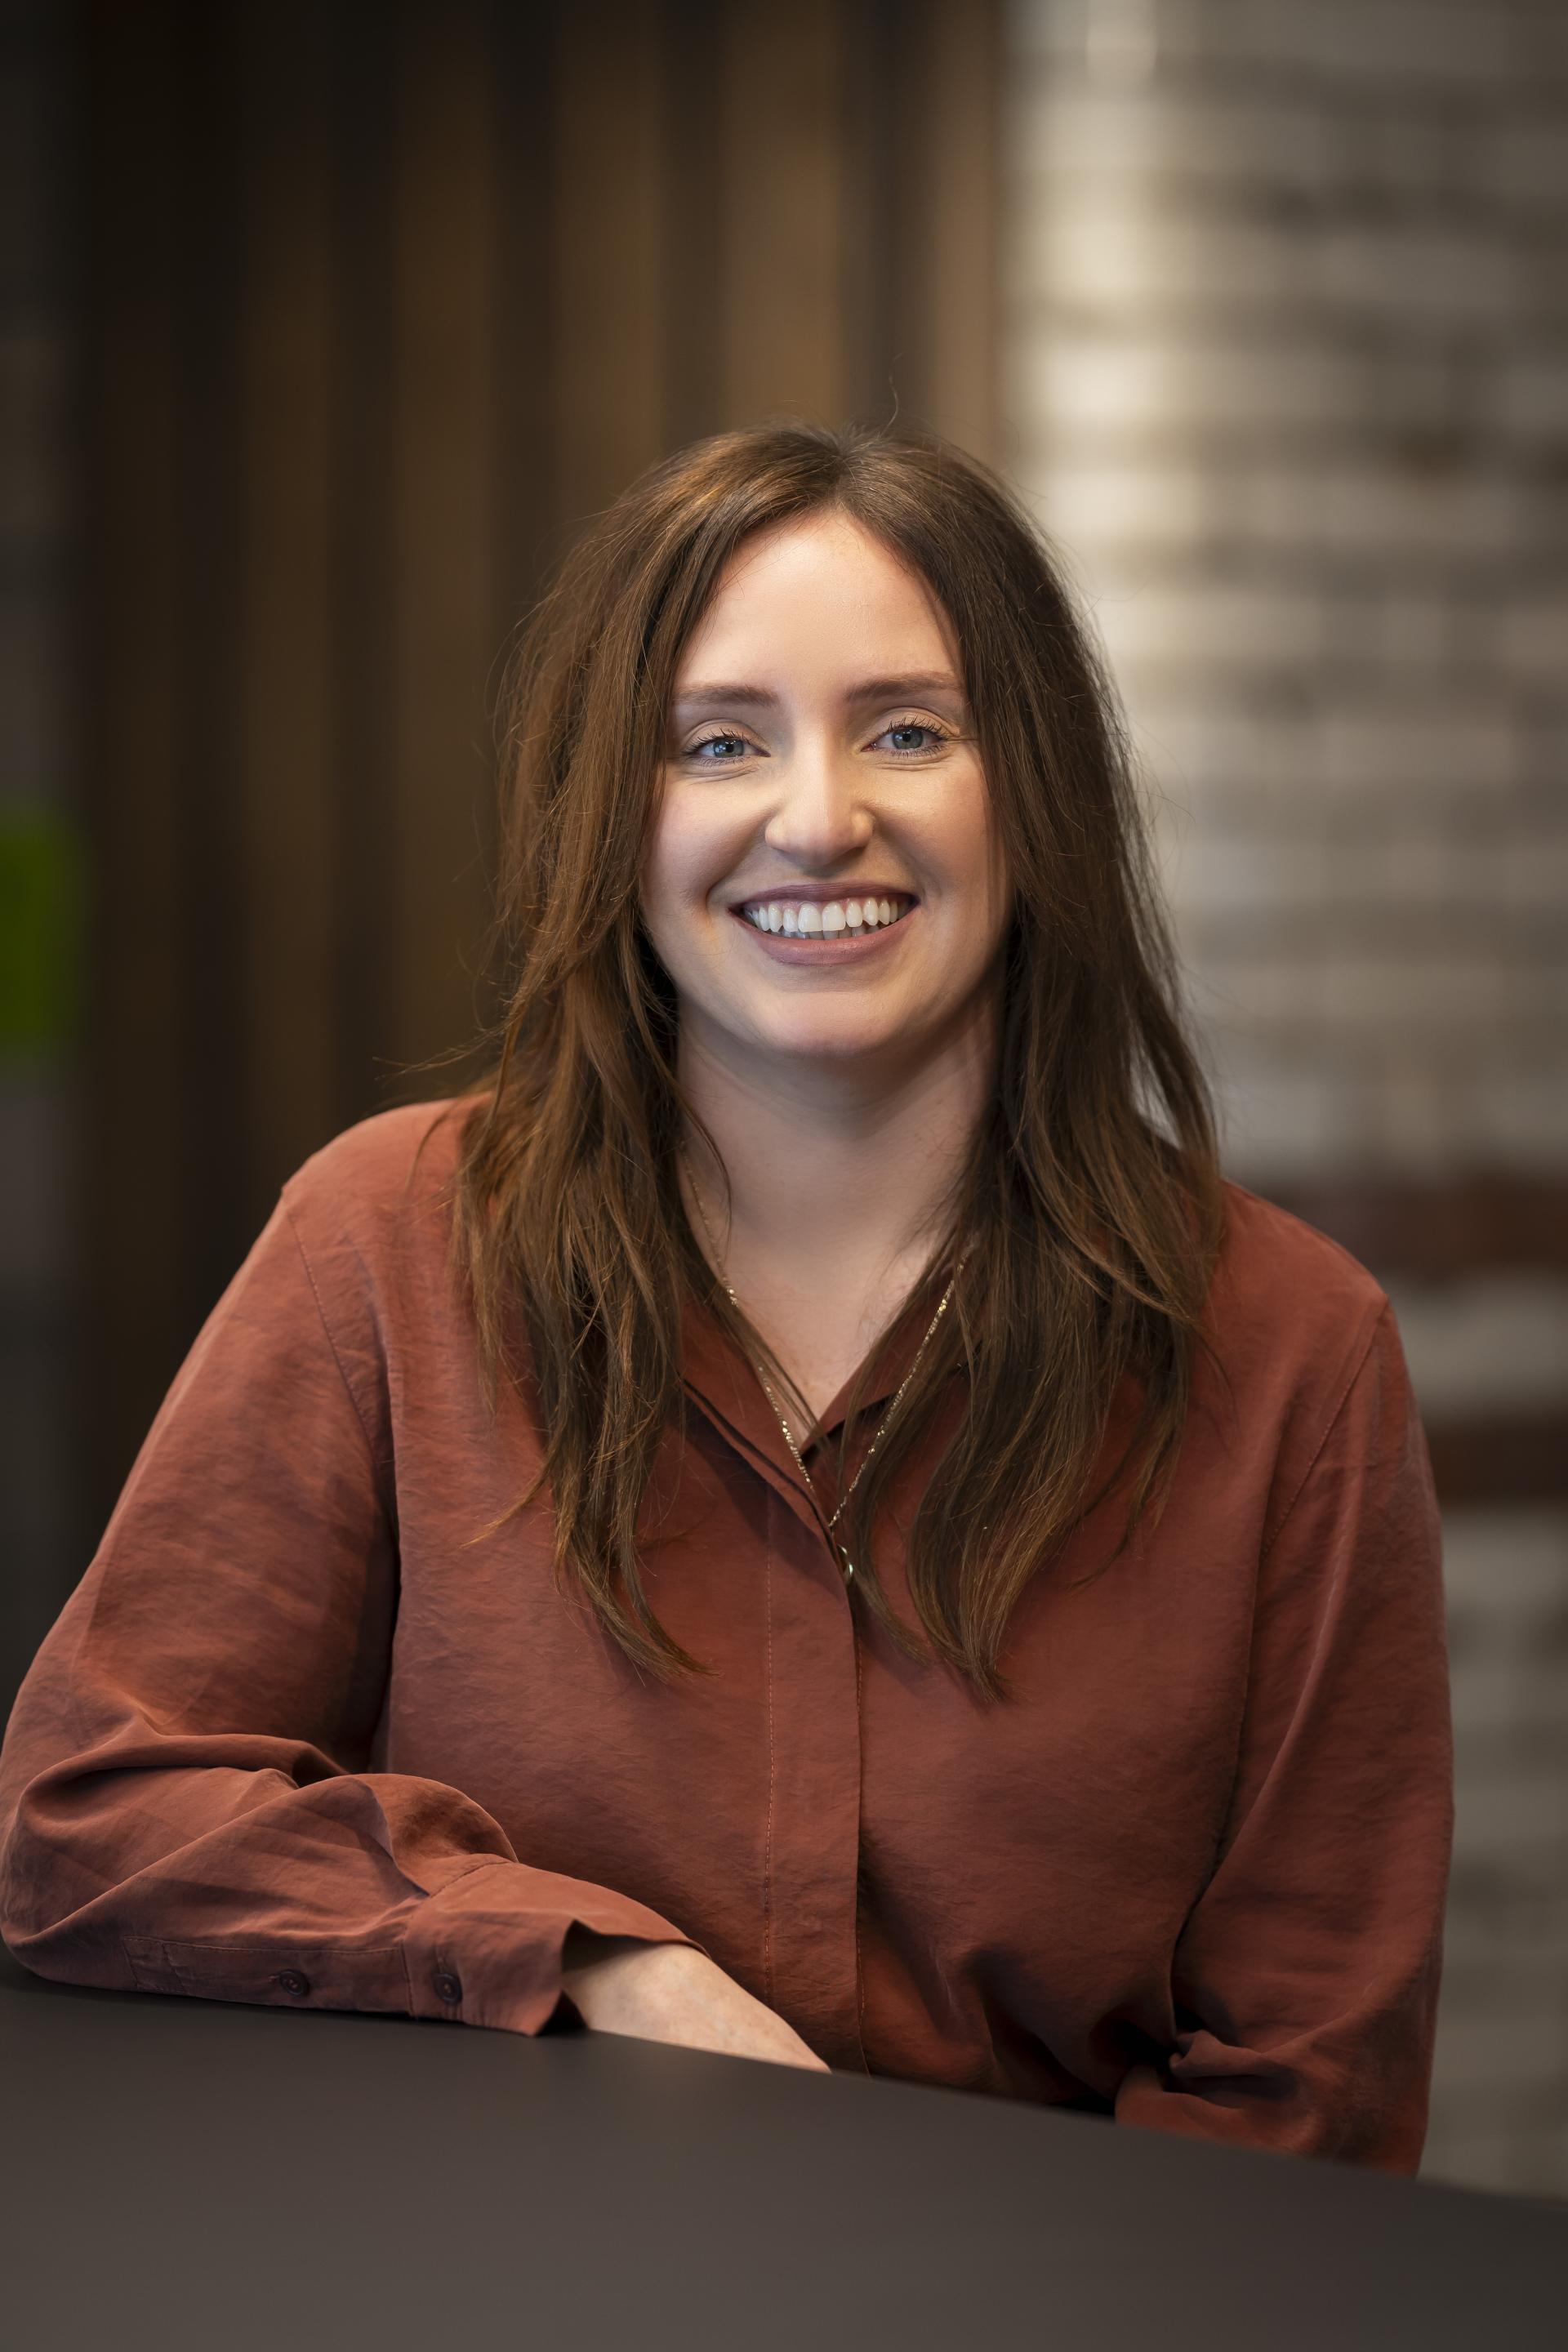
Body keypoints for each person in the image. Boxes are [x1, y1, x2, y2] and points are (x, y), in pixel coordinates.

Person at [0, 420, 1451, 2167]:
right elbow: (89, 1813)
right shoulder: (384, 1241)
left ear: (1036, 791)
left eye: (909, 731)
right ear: (620, 811)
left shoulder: (1293, 1349)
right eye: (719, 743)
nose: (819, 818)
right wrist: (592, 1961)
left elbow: (1309, 2086)